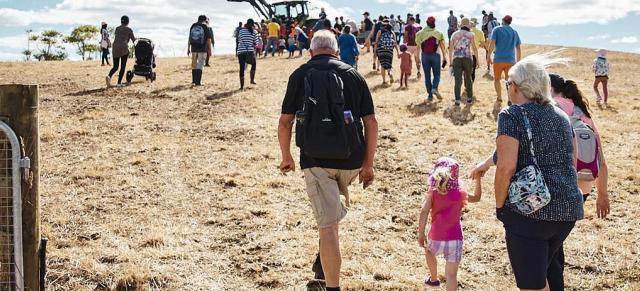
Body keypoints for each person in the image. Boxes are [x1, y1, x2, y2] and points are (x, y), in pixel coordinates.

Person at [469, 53, 584, 291]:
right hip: (567, 210)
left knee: (531, 285)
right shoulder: (561, 116)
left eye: (509, 83)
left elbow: (506, 167)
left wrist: (500, 206)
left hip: (530, 213)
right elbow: (571, 161)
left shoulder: (511, 115)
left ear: (519, 87)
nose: (508, 87)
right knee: (546, 275)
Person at [278, 29, 378, 291]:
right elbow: (370, 122)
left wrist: (286, 156)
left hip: (315, 159)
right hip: (352, 160)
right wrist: (368, 165)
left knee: (328, 226)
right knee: (329, 217)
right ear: (337, 51)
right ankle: (322, 263)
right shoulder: (353, 74)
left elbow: (285, 121)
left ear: (311, 52)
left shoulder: (300, 74)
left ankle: (330, 286)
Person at [547, 73, 610, 291]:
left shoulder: (552, 106)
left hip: (559, 186)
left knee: (548, 247)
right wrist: (602, 194)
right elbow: (600, 157)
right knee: (556, 241)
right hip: (583, 185)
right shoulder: (583, 114)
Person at [418, 157, 482, 290]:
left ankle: (434, 279)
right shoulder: (460, 193)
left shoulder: (433, 193)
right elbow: (477, 198)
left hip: (436, 236)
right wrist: (478, 180)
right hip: (455, 239)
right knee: (452, 276)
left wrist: (421, 233)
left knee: (429, 251)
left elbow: (423, 212)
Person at [487, 15, 521, 102]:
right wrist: (518, 61)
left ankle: (499, 97)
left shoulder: (497, 29)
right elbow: (518, 48)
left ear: (502, 20)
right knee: (509, 81)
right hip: (510, 60)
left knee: (497, 79)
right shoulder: (514, 32)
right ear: (510, 22)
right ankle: (509, 98)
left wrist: (489, 55)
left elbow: (492, 43)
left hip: (498, 59)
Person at [416, 16, 448, 103]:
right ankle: (434, 88)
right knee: (437, 75)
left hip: (425, 56)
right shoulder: (438, 32)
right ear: (434, 22)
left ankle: (430, 96)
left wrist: (417, 58)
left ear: (426, 23)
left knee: (427, 76)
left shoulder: (420, 33)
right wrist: (445, 56)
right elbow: (442, 46)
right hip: (436, 55)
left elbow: (418, 47)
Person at [449, 18, 479, 105]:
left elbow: (451, 49)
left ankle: (457, 99)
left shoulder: (454, 34)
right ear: (468, 24)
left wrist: (450, 61)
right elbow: (474, 48)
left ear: (461, 24)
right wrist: (477, 60)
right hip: (467, 58)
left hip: (457, 58)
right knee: (468, 78)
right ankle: (469, 98)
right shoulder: (471, 34)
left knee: (458, 80)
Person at [106, 15, 135, 88]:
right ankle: (119, 83)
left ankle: (109, 76)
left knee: (115, 66)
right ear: (128, 22)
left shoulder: (117, 28)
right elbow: (134, 40)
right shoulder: (129, 29)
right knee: (122, 67)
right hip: (123, 48)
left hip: (115, 47)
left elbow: (119, 37)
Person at [187, 15, 213, 86]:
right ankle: (198, 82)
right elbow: (208, 39)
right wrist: (209, 50)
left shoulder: (193, 25)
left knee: (194, 64)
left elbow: (189, 38)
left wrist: (188, 48)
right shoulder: (205, 26)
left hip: (193, 48)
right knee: (200, 64)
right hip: (202, 48)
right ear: (205, 20)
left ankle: (193, 81)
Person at [236, 18, 259, 89]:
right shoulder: (254, 32)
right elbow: (256, 43)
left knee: (242, 68)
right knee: (254, 64)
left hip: (241, 51)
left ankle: (241, 86)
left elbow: (239, 40)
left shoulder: (241, 31)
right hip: (250, 51)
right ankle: (252, 80)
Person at [375, 19, 399, 85]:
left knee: (383, 66)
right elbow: (395, 43)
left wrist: (375, 51)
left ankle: (384, 81)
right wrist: (397, 52)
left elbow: (376, 42)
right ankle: (390, 73)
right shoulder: (392, 32)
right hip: (390, 50)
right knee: (389, 65)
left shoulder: (380, 31)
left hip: (381, 50)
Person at [469, 18, 485, 82]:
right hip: (474, 54)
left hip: (464, 53)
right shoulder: (480, 32)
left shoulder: (467, 31)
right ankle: (471, 83)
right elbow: (482, 44)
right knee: (473, 70)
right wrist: (478, 44)